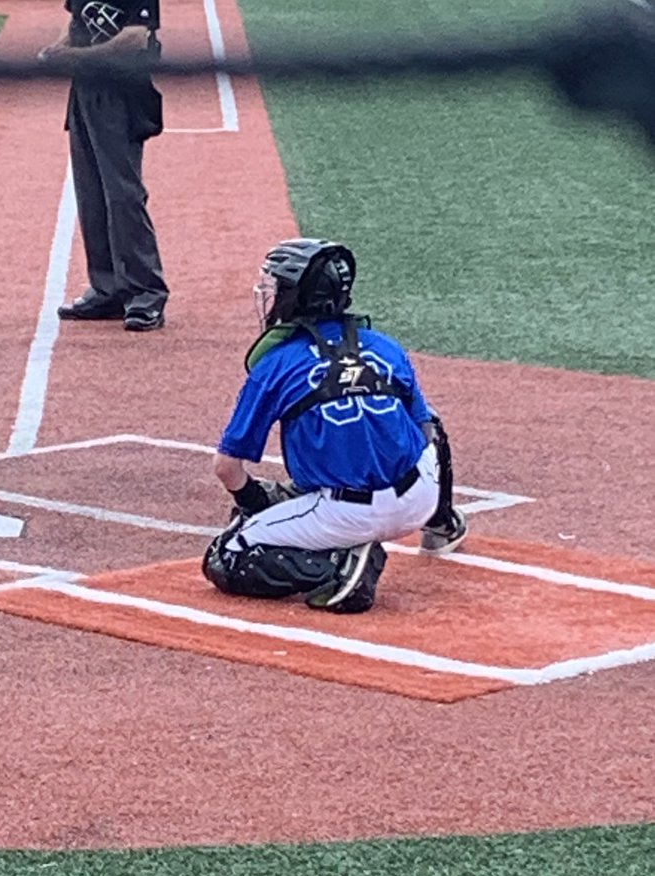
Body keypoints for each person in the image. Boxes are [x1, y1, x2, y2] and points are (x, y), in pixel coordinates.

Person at [202, 238, 468, 614]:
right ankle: (442, 522)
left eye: (273, 286)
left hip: (346, 514)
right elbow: (425, 431)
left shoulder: (276, 365)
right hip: (418, 498)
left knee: (226, 555)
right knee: (429, 420)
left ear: (293, 296)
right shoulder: (386, 347)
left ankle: (338, 567)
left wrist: (254, 504)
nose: (266, 293)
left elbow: (227, 467)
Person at [39, 0, 169, 331]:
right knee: (91, 193)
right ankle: (108, 288)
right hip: (83, 91)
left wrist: (76, 58)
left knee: (123, 194)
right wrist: (58, 50)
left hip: (120, 92)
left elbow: (136, 38)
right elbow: (77, 25)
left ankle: (146, 292)